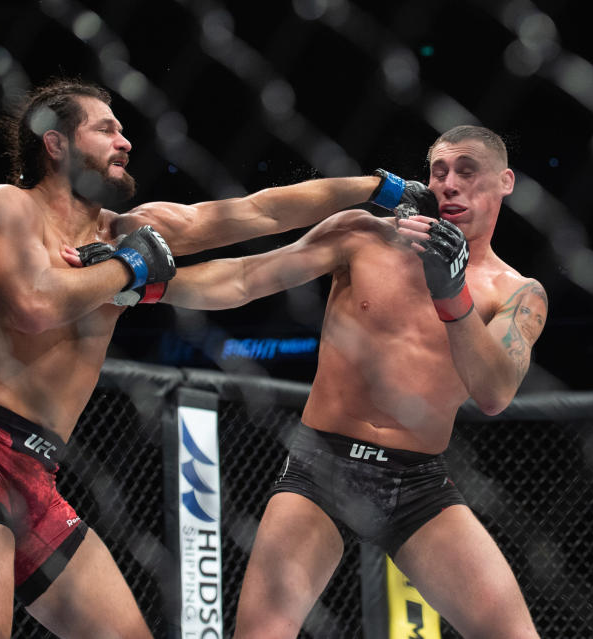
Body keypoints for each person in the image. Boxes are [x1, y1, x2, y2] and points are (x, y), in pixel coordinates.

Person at [0, 77, 430, 639]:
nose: (125, 141)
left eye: (123, 130)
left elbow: (256, 213)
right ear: (55, 143)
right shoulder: (7, 207)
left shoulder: (127, 230)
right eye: (106, 129)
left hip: (40, 474)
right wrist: (129, 268)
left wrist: (380, 188)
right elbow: (32, 306)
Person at [154, 125, 547, 638]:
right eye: (439, 171)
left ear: (505, 182)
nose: (450, 185)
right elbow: (246, 278)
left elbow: (494, 393)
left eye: (468, 172)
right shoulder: (364, 235)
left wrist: (452, 294)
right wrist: (140, 284)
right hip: (322, 465)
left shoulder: (517, 292)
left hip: (417, 482)